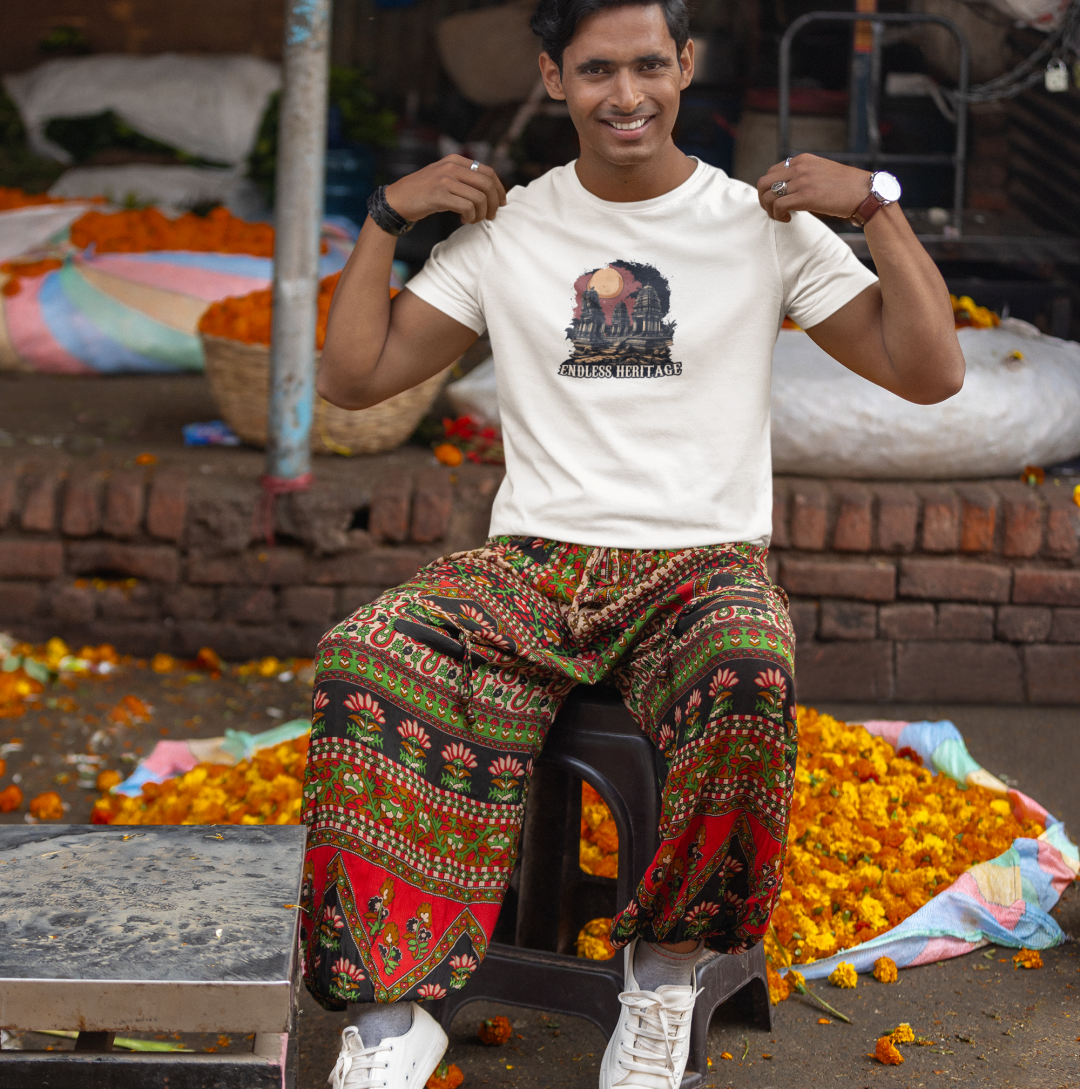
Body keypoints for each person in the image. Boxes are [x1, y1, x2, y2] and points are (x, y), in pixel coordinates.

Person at [301, 0, 964, 1086]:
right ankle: (392, 1010)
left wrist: (877, 208)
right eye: (598, 68)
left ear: (686, 66)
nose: (628, 94)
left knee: (749, 666)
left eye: (649, 64)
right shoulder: (507, 230)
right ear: (554, 77)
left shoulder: (761, 224)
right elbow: (354, 378)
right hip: (532, 565)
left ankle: (663, 976)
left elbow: (931, 374)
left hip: (702, 567)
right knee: (364, 655)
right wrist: (384, 218)